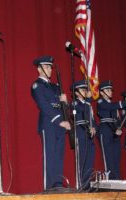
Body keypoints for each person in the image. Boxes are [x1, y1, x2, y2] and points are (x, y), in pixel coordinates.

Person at [31, 56, 71, 191]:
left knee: (59, 154)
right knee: (50, 155)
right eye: (46, 67)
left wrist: (65, 102)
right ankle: (49, 187)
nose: (49, 70)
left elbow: (64, 107)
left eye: (50, 67)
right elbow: (44, 106)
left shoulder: (55, 86)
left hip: (61, 124)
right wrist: (60, 121)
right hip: (49, 123)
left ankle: (58, 184)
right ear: (39, 69)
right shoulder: (37, 85)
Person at [96, 80, 126, 179]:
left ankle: (116, 179)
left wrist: (119, 128)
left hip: (114, 131)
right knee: (108, 157)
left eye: (111, 89)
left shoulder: (114, 104)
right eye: (107, 90)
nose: (110, 91)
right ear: (102, 92)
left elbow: (117, 118)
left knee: (116, 157)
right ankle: (110, 179)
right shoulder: (100, 101)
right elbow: (110, 107)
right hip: (105, 129)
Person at [71, 80, 97, 188]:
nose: (86, 92)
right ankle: (81, 185)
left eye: (86, 90)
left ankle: (87, 184)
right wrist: (88, 99)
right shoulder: (75, 103)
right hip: (80, 133)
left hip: (89, 134)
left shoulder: (88, 104)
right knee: (82, 160)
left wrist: (94, 128)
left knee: (89, 160)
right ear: (76, 93)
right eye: (83, 90)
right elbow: (81, 109)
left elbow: (92, 119)